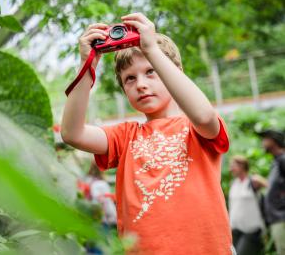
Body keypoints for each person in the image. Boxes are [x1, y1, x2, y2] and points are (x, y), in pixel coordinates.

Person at [61, 13, 232, 254]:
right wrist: (86, 65)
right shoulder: (125, 136)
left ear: (174, 72)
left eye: (151, 71)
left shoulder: (196, 128)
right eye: (129, 78)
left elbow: (205, 117)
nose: (140, 84)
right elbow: (71, 133)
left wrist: (151, 48)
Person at [256, 129, 285, 255]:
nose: (262, 143)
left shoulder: (283, 160)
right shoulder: (276, 162)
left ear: (273, 140)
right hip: (276, 218)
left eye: (265, 139)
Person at [228, 155, 265, 255]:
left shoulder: (253, 181)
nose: (230, 169)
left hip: (251, 231)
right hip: (235, 230)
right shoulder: (234, 184)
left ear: (242, 166)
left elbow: (271, 188)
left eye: (233, 166)